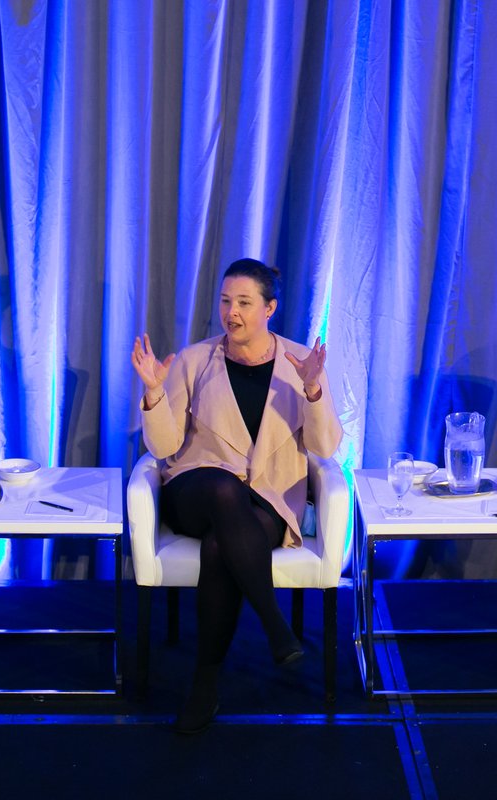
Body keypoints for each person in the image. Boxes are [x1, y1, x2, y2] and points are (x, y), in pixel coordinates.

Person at [131, 258, 342, 734]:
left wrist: (312, 389)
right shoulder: (194, 360)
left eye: (244, 303)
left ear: (269, 308)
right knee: (224, 488)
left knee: (219, 548)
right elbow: (163, 448)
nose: (232, 312)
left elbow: (326, 449)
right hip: (196, 490)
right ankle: (274, 625)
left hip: (267, 500)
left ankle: (204, 687)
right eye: (226, 302)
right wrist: (153, 394)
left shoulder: (299, 363)